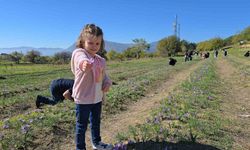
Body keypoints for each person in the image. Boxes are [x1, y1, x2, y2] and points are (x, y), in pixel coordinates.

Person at [71, 24, 113, 150]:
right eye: (90, 43)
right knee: (81, 125)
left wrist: (107, 82)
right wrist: (84, 64)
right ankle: (80, 148)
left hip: (97, 98)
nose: (94, 46)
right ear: (83, 42)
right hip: (83, 98)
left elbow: (104, 76)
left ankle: (97, 143)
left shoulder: (100, 60)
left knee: (96, 122)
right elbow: (80, 60)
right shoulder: (79, 53)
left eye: (97, 43)